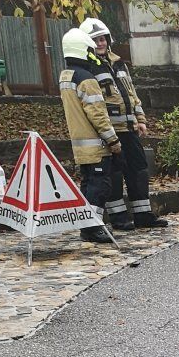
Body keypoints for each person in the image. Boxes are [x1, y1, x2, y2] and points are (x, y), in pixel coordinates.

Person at [80, 16, 168, 230]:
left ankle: (143, 215)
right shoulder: (89, 67)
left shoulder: (119, 63)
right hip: (109, 131)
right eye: (95, 40)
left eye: (103, 39)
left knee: (138, 170)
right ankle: (119, 217)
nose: (100, 43)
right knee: (114, 175)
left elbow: (131, 94)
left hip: (130, 129)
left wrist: (141, 119)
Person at [58, 27, 122, 244]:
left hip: (79, 145)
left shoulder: (66, 76)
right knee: (99, 186)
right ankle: (93, 227)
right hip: (95, 145)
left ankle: (88, 226)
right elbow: (98, 114)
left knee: (87, 185)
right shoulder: (87, 79)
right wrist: (113, 140)